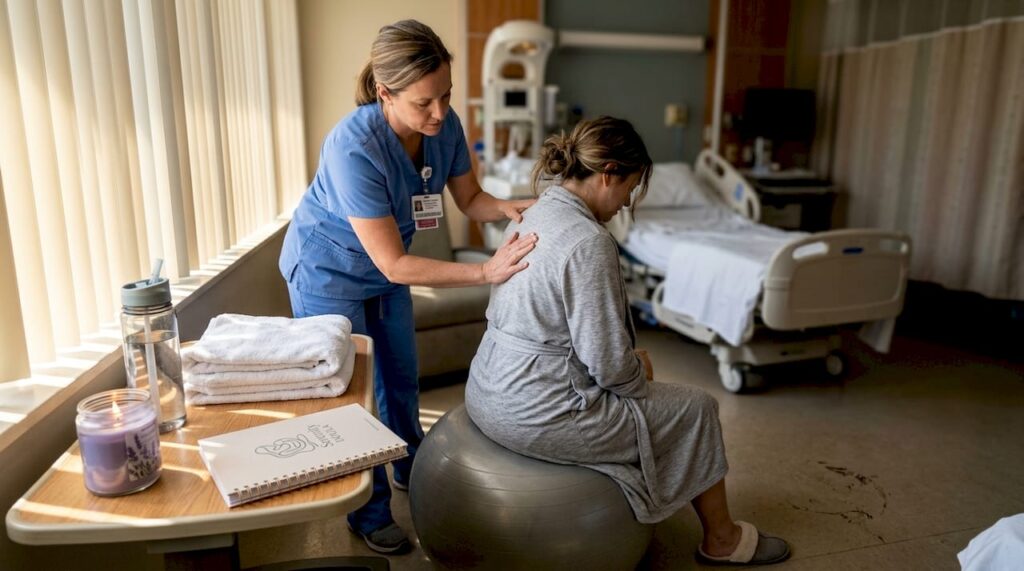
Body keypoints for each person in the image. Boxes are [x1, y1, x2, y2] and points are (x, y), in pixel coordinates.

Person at [464, 116, 791, 566]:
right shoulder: (588, 241)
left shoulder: (530, 213)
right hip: (534, 411)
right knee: (696, 408)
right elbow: (610, 367)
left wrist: (624, 365)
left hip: (487, 388)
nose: (625, 205)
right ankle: (723, 540)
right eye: (629, 189)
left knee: (639, 381)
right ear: (607, 174)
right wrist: (638, 373)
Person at [279, 20, 537, 554]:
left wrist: (513, 208)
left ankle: (410, 468)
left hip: (383, 270)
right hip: (328, 273)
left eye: (446, 95)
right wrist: (485, 272)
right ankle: (369, 513)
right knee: (351, 398)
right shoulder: (354, 147)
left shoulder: (444, 126)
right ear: (385, 93)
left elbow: (471, 199)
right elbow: (396, 264)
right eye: (424, 103)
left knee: (400, 378)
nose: (439, 112)